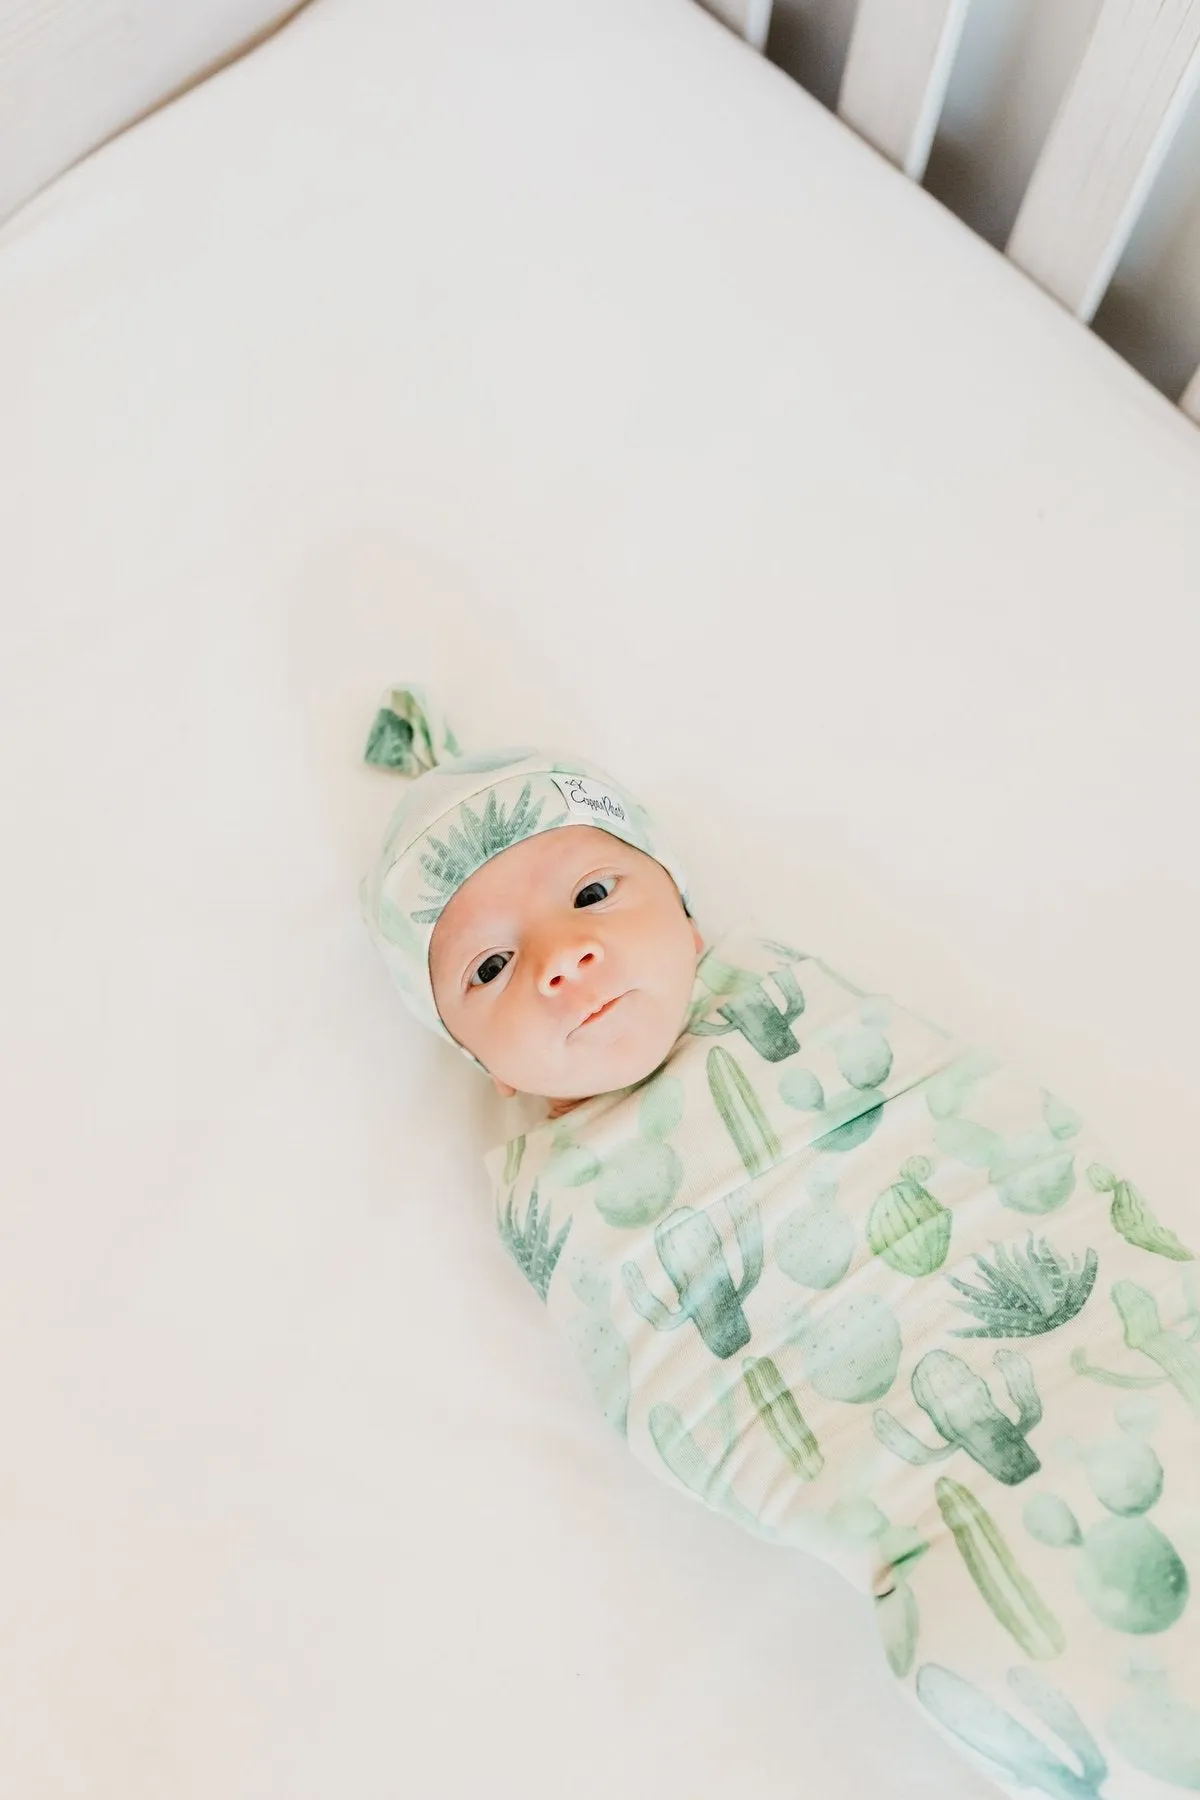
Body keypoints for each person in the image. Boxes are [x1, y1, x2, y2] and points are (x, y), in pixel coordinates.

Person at [362, 685, 1200, 1800]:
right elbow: (657, 1371)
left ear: (691, 918)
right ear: (492, 1069)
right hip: (912, 1489)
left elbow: (977, 1130)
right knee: (1027, 1653)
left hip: (1109, 1344)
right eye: (490, 969)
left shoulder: (802, 1006)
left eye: (594, 893)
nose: (562, 956)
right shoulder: (557, 1195)